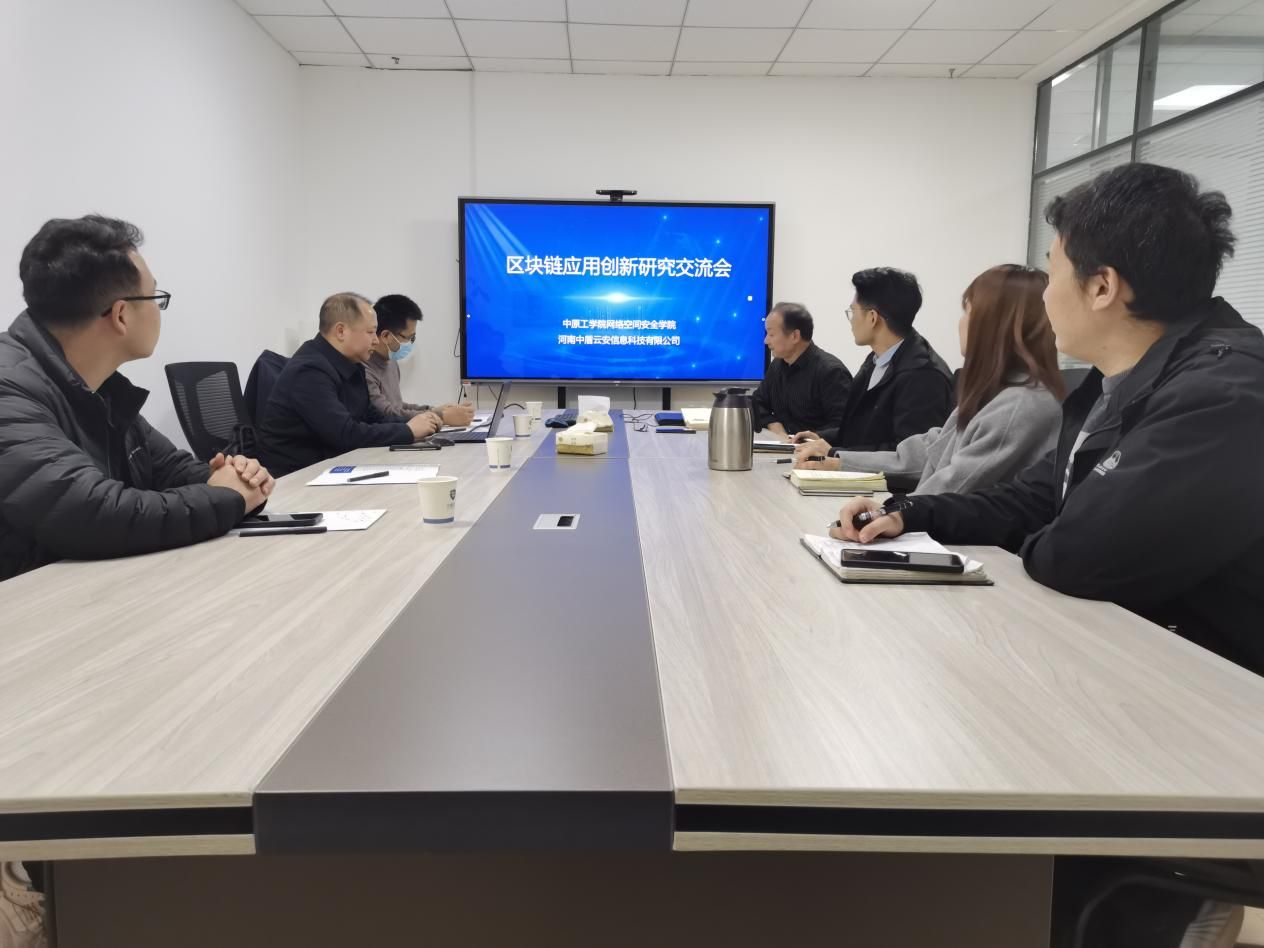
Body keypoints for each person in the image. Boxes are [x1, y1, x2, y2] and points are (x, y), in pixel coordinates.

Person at [831, 163, 1264, 948]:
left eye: (1054, 267)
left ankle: (1166, 907)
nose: (1044, 293)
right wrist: (911, 513)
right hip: (1146, 677)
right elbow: (1038, 501)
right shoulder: (1113, 385)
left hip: (1217, 726)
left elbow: (1075, 554)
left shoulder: (1223, 393)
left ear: (1102, 286)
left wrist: (1046, 533)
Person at [0, 216, 273, 583]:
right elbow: (92, 515)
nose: (159, 311)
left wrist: (238, 477)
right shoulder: (9, 388)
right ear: (121, 315)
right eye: (156, 298)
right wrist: (228, 497)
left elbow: (170, 469)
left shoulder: (100, 387)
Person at [794, 265, 1064, 494]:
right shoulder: (994, 392)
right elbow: (930, 449)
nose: (960, 322)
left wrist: (892, 513)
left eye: (968, 311)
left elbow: (951, 485)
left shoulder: (1016, 406)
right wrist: (838, 458)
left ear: (994, 323)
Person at [257, 293, 441, 477]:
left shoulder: (352, 365)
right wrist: (407, 431)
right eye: (370, 332)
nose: (376, 340)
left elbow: (372, 417)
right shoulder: (309, 371)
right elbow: (344, 434)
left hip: (331, 468)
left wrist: (420, 423)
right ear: (341, 331)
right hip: (296, 477)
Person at [793, 267, 955, 453]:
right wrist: (823, 438)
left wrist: (835, 454)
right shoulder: (877, 359)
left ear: (872, 317)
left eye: (853, 312)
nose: (851, 320)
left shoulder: (924, 376)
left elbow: (907, 458)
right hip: (855, 471)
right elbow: (864, 432)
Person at [367, 294, 474, 428]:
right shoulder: (364, 369)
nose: (410, 343)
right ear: (386, 336)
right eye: (409, 337)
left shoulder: (391, 361)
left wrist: (435, 410)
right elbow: (386, 414)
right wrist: (441, 416)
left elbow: (397, 406)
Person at [750, 302, 851, 439]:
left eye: (771, 334)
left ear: (795, 336)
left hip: (817, 450)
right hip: (783, 447)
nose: (766, 341)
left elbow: (845, 427)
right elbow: (757, 403)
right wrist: (774, 424)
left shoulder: (832, 372)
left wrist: (809, 438)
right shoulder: (777, 366)